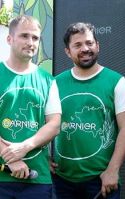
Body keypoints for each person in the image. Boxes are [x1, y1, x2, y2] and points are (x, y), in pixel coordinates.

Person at [52, 22, 125, 199]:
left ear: (97, 45)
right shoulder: (55, 83)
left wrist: (112, 171)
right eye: (77, 45)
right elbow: (41, 122)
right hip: (61, 181)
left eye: (89, 43)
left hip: (101, 181)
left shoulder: (117, 82)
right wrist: (43, 157)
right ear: (68, 51)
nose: (85, 48)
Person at [0, 15, 62, 199]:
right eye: (24, 36)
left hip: (37, 179)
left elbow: (54, 124)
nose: (30, 42)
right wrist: (10, 158)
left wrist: (25, 147)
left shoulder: (48, 80)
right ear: (9, 39)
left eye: (35, 38)